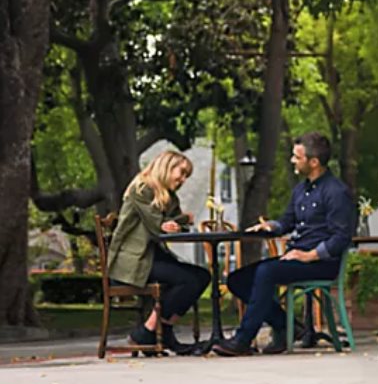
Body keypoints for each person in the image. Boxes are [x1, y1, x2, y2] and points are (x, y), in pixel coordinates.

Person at [211, 134, 354, 357]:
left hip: (321, 263)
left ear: (313, 162)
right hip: (295, 258)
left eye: (297, 157)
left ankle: (242, 340)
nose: (292, 160)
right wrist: (271, 226)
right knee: (237, 280)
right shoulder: (300, 190)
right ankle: (287, 326)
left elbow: (342, 237)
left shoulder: (336, 192)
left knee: (266, 271)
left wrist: (309, 256)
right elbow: (287, 221)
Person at [106, 150, 208, 354]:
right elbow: (156, 224)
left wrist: (177, 222)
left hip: (152, 256)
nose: (183, 180)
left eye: (186, 176)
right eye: (181, 173)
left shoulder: (168, 196)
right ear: (166, 167)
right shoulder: (141, 188)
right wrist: (173, 223)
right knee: (186, 280)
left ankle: (160, 330)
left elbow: (179, 222)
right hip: (133, 261)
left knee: (202, 276)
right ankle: (149, 331)